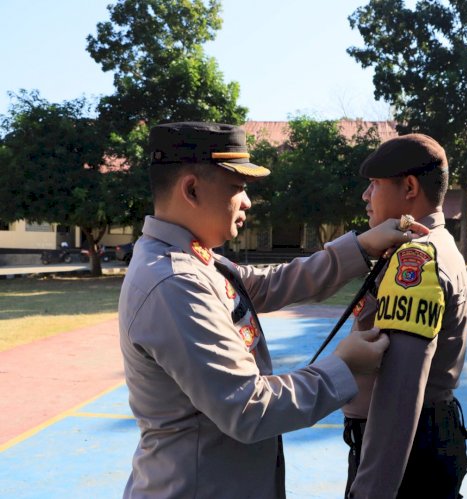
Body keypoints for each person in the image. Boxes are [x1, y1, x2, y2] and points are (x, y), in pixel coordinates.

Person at [119, 122, 430, 498]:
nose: (247, 201)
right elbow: (248, 409)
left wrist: (361, 247)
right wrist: (343, 367)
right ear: (191, 189)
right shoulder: (174, 282)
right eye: (237, 188)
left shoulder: (197, 261)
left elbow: (269, 284)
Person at [341, 134, 467, 498]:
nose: (366, 196)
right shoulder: (424, 243)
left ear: (410, 187)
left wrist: (370, 492)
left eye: (375, 185)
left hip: (406, 458)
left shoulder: (418, 257)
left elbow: (399, 396)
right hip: (418, 447)